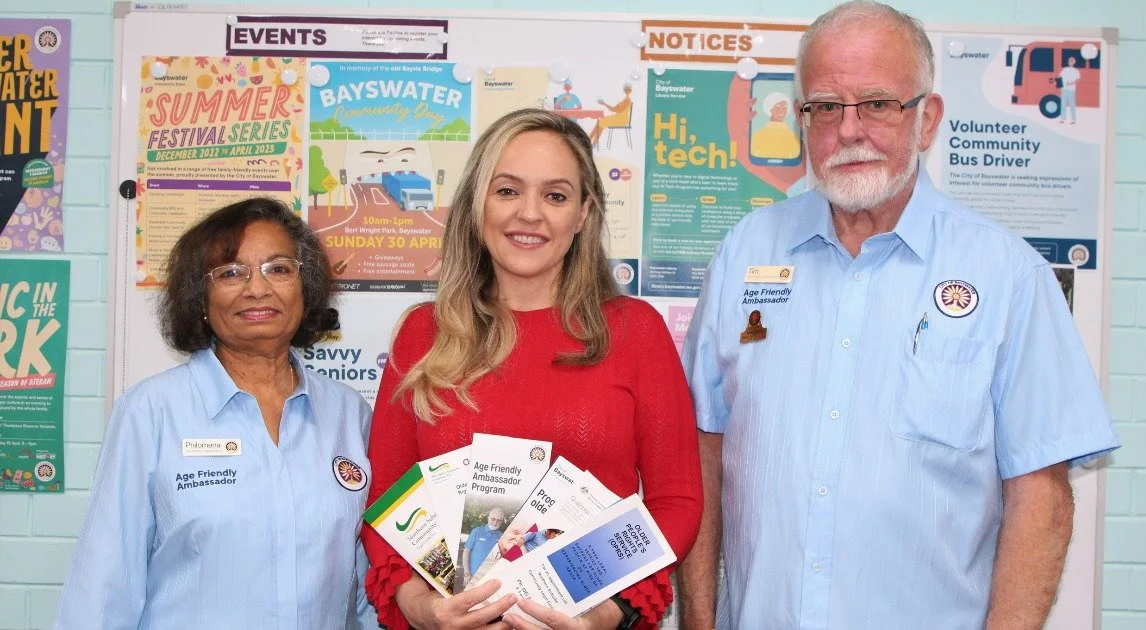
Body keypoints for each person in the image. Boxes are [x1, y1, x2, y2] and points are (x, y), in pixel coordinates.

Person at [677, 2, 1120, 629]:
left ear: (928, 118)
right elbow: (702, 451)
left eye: (879, 104)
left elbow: (1041, 496)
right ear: (801, 117)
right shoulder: (743, 254)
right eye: (825, 106)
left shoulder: (1007, 275)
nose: (849, 130)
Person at [364, 108, 702, 630]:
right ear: (477, 204)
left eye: (556, 195)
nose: (529, 213)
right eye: (507, 191)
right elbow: (387, 500)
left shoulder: (636, 332)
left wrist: (606, 614)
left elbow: (675, 501)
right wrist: (422, 608)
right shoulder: (423, 335)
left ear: (585, 212)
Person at [55, 197, 377, 629]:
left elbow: (365, 583)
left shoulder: (348, 413)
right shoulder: (149, 413)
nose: (257, 289)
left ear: (306, 289)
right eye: (230, 273)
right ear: (201, 300)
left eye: (279, 269)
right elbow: (103, 589)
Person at [749, 92, 801, 159]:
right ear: (770, 109)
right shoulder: (757, 136)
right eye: (778, 108)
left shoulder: (793, 137)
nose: (782, 111)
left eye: (784, 108)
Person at [462, 508, 507, 581]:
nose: (495, 522)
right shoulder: (477, 531)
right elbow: (466, 551)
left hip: (489, 578)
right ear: (488, 518)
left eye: (499, 520)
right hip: (472, 576)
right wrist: (466, 573)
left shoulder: (502, 536)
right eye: (493, 519)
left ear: (502, 522)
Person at [1058, 55, 1081, 124]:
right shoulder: (1065, 69)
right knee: (1063, 104)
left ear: (1074, 62)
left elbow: (1077, 80)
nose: (1070, 62)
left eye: (1072, 61)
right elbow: (1059, 77)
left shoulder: (1076, 71)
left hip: (1071, 90)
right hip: (1064, 89)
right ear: (1068, 62)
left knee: (1072, 105)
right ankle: (1062, 119)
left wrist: (1070, 84)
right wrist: (1059, 83)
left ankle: (1073, 120)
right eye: (1069, 61)